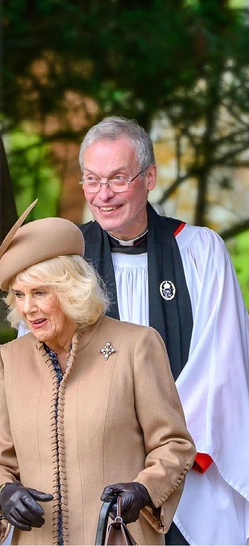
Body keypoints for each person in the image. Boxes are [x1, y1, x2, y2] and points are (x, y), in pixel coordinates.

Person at [75, 117, 249, 545]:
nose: (103, 195)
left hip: (189, 469)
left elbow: (220, 364)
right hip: (94, 468)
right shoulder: (69, 262)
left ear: (149, 178)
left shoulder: (200, 252)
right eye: (91, 180)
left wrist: (160, 458)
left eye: (117, 179)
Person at [0, 201, 196, 544]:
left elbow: (174, 444)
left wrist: (144, 489)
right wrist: (4, 492)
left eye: (40, 293)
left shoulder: (136, 345)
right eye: (20, 295)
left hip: (115, 536)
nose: (28, 308)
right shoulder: (8, 361)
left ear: (70, 288)